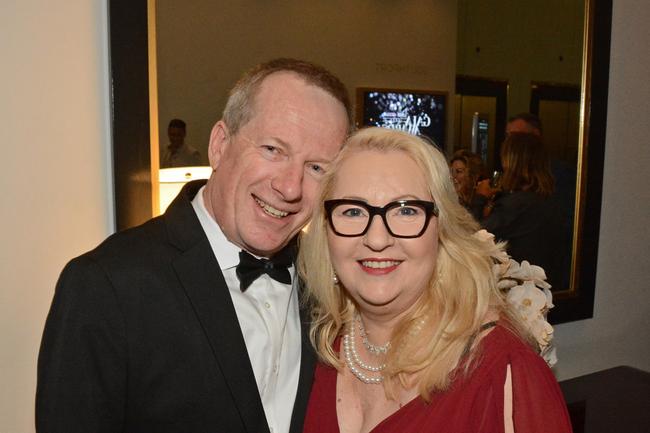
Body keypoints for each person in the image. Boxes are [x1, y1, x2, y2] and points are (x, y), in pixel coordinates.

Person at [36, 58, 351, 433]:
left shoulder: (335, 285)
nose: (290, 187)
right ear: (219, 144)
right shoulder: (106, 285)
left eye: (317, 168)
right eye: (272, 149)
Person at [298, 127, 572, 433]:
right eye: (352, 211)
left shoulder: (503, 373)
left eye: (406, 211)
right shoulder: (314, 352)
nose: (376, 238)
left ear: (442, 232)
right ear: (325, 232)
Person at [483, 132, 566, 291]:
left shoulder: (515, 206)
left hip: (519, 294)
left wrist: (479, 198)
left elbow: (475, 237)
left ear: (512, 163)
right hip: (545, 289)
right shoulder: (550, 201)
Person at [450, 149, 488, 220]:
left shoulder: (484, 205)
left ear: (473, 176)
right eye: (451, 172)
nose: (453, 176)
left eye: (459, 171)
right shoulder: (450, 203)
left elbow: (472, 226)